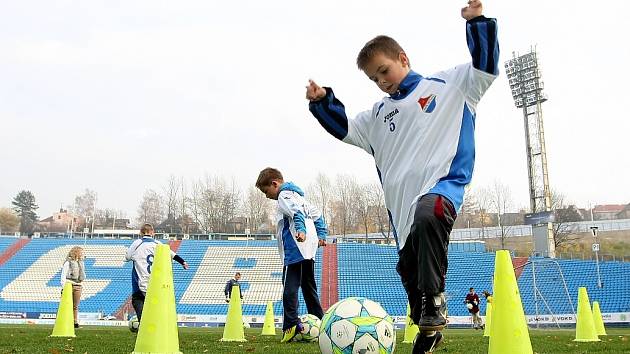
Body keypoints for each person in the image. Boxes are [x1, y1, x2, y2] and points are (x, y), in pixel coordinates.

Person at [305, 1, 498, 352]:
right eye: (374, 78)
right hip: (402, 215)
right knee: (412, 291)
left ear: (403, 59)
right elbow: (345, 127)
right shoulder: (377, 115)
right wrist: (322, 102)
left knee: (430, 213)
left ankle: (436, 302)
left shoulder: (450, 84)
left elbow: (485, 68)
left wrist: (478, 24)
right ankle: (428, 332)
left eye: (384, 70)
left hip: (443, 188)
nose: (381, 81)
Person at [255, 167, 327, 343]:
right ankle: (322, 325)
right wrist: (322, 234)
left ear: (275, 184)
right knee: (309, 288)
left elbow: (296, 213)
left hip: (295, 248)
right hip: (309, 250)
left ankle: (291, 327)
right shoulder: (300, 197)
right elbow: (317, 215)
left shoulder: (284, 196)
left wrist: (301, 231)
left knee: (289, 289)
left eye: (266, 191)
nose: (266, 195)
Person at [125, 223, 189, 321]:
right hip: (154, 284)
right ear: (153, 233)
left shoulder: (137, 243)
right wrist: (183, 262)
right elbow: (172, 254)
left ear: (141, 233)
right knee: (154, 311)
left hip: (140, 283)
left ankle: (142, 327)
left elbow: (127, 257)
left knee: (138, 302)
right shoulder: (158, 244)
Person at [60, 246, 86, 328]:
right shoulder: (68, 263)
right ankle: (64, 321)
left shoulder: (80, 263)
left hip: (78, 286)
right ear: (76, 253)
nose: (82, 254)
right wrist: (64, 287)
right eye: (81, 252)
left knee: (75, 306)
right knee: (66, 304)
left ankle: (75, 322)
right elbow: (63, 275)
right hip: (69, 285)